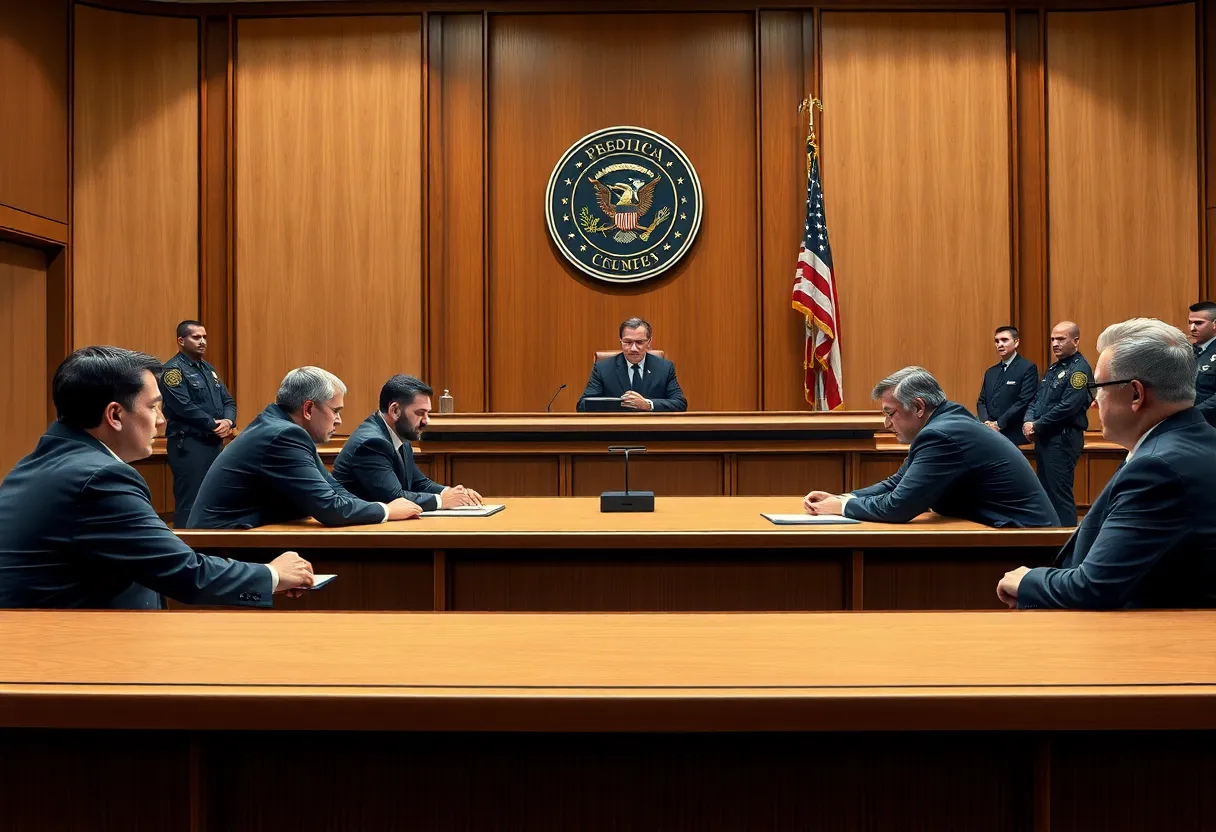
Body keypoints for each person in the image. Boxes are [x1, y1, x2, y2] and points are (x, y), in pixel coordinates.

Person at [0, 347, 314, 608]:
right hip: (72, 659)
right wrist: (272, 574)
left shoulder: (36, 464)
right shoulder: (99, 478)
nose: (162, 421)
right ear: (115, 415)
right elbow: (186, 574)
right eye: (154, 407)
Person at [997, 318, 1216, 609]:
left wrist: (1028, 580)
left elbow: (1093, 588)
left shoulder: (1157, 468)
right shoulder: (1194, 441)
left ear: (1136, 394)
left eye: (1098, 387)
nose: (1094, 402)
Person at [803, 366, 1056, 527]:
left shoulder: (942, 434)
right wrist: (844, 498)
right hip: (1010, 532)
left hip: (1025, 540)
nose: (886, 423)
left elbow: (899, 507)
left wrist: (842, 508)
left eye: (890, 413)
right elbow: (897, 483)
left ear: (919, 407)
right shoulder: (947, 423)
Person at [186, 366, 421, 529]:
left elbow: (334, 490)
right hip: (222, 546)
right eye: (335, 411)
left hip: (241, 536)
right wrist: (387, 511)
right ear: (308, 409)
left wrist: (375, 508)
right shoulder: (283, 435)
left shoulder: (284, 429)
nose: (339, 420)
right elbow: (330, 507)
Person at [333, 374, 483, 509]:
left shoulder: (399, 435)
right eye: (420, 413)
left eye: (427, 413)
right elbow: (394, 498)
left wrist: (454, 494)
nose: (427, 421)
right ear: (395, 410)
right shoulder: (372, 443)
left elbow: (419, 483)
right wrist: (442, 500)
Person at [159, 320, 237, 527]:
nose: (202, 342)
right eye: (196, 337)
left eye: (204, 337)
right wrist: (214, 425)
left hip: (213, 443)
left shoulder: (208, 369)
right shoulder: (173, 371)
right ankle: (187, 547)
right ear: (181, 340)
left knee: (212, 497)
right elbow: (183, 406)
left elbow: (228, 401)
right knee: (190, 500)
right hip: (189, 445)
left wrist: (229, 421)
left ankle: (207, 547)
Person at [1023, 321, 1092, 527]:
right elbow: (1037, 399)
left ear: (1076, 341)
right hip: (1046, 438)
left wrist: (1037, 425)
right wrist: (1028, 420)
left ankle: (1066, 541)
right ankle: (1050, 537)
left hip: (1063, 439)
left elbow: (1067, 407)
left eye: (1061, 339)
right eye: (1053, 339)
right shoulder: (1054, 368)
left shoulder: (1079, 370)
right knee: (1046, 493)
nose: (1055, 343)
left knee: (1059, 495)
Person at [576, 317, 687, 412]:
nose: (633, 348)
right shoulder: (603, 368)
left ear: (649, 342)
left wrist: (647, 405)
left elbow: (680, 403)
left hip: (652, 431)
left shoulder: (664, 368)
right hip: (615, 431)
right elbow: (582, 405)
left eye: (639, 342)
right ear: (621, 341)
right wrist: (619, 404)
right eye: (628, 342)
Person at [976, 325, 1038, 446]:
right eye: (997, 341)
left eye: (1004, 340)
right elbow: (982, 401)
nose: (1000, 344)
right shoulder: (991, 372)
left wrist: (999, 424)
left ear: (1016, 342)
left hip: (1014, 435)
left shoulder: (1027, 368)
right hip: (990, 433)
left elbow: (1023, 401)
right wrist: (987, 423)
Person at [1187, 300, 1216, 426]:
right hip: (1186, 424)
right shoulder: (1187, 351)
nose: (1192, 328)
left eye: (1198, 323)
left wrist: (1193, 413)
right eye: (1190, 323)